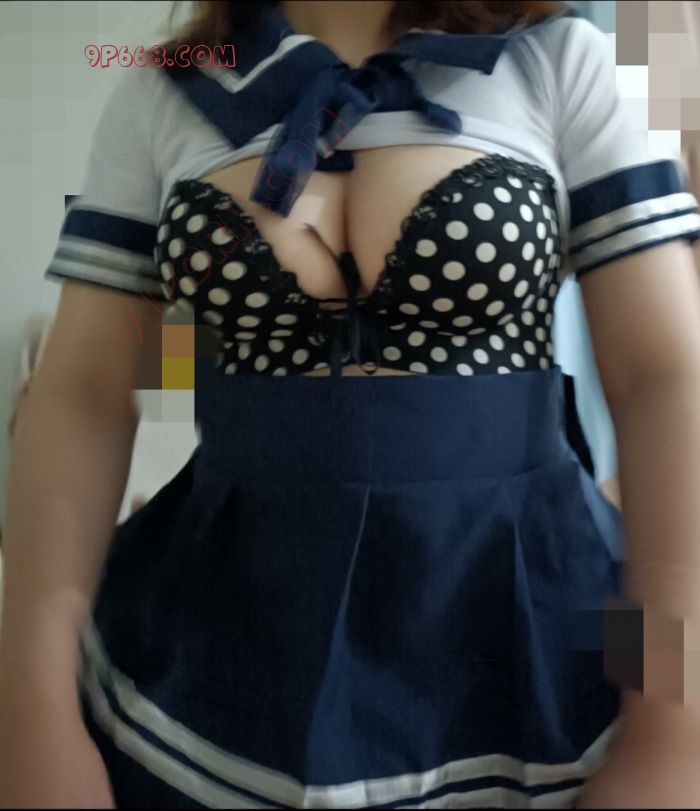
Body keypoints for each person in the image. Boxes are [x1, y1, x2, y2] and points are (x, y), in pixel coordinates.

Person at [2, 1, 700, 808]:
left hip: (535, 614)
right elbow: (83, 390)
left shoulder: (561, 62)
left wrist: (671, 727)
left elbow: (663, 380)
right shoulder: (163, 94)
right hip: (220, 625)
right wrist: (31, 708)